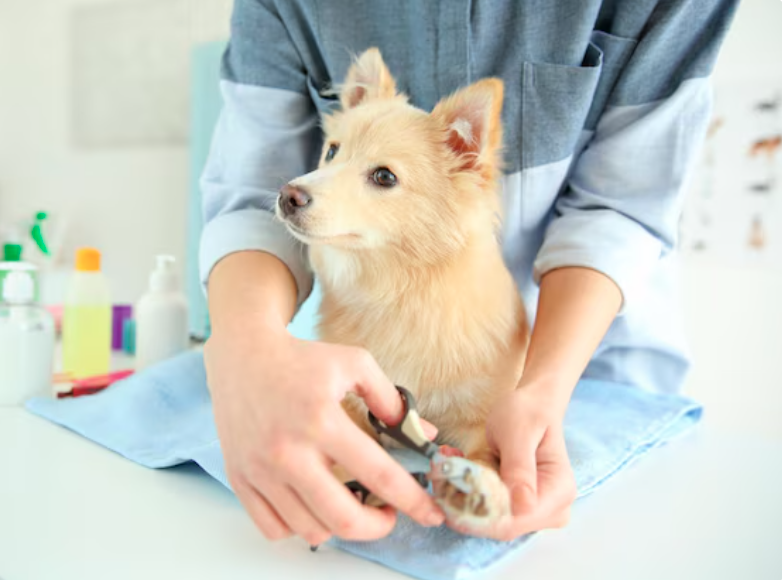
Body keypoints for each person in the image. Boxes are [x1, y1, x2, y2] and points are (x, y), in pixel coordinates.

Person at [200, 0, 737, 545]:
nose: (309, 185)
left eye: (382, 176)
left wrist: (540, 391)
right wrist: (247, 347)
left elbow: (621, 206)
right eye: (333, 150)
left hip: (596, 367)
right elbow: (251, 190)